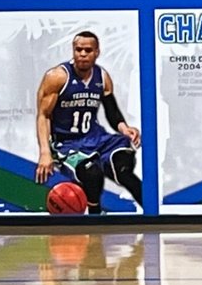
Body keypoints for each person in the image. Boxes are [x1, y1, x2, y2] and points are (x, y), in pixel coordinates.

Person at [33, 30, 143, 213]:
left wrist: (124, 128)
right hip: (67, 143)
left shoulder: (102, 77)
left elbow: (111, 110)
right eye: (78, 50)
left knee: (124, 167)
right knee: (93, 173)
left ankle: (154, 215)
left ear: (97, 52)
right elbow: (43, 115)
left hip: (96, 138)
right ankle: (95, 217)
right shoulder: (57, 77)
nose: (82, 54)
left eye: (88, 50)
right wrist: (45, 152)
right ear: (73, 51)